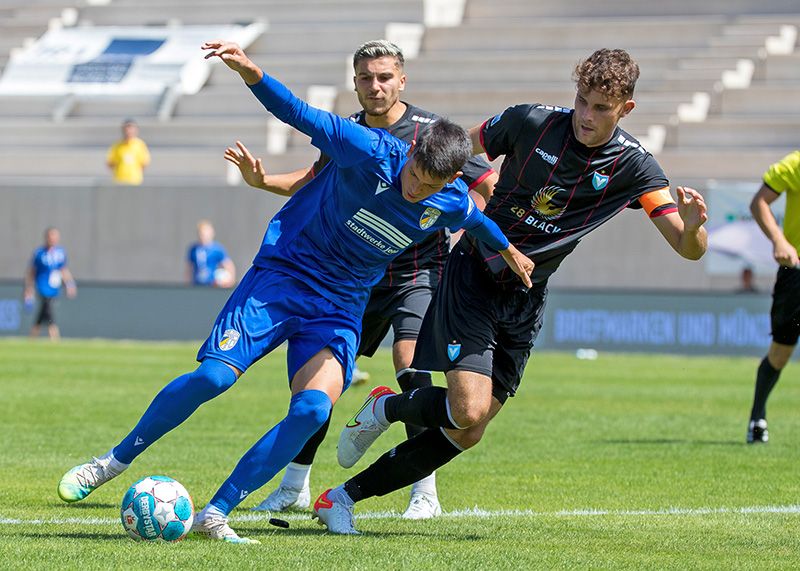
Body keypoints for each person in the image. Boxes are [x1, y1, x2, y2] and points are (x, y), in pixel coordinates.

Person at [56, 40, 533, 545]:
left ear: (450, 181)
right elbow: (299, 113)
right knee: (214, 378)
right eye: (415, 175)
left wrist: (508, 251)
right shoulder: (369, 150)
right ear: (410, 153)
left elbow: (476, 220)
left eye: (431, 185)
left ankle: (216, 512)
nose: (416, 189)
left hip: (341, 303)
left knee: (312, 410)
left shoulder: (449, 199)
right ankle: (110, 463)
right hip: (283, 277)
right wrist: (251, 72)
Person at [315, 48, 709, 535]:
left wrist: (692, 229)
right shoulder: (531, 121)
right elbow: (457, 148)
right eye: (582, 101)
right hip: (475, 274)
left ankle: (345, 490)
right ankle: (382, 415)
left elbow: (686, 247)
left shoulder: (637, 168)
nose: (586, 115)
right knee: (466, 409)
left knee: (469, 430)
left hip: (526, 295)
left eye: (601, 108)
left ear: (626, 109)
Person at [224, 39, 497, 520]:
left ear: (402, 81)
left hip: (417, 273)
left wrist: (471, 236)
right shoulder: (350, 134)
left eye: (385, 77)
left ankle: (423, 491)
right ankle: (294, 486)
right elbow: (313, 179)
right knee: (319, 385)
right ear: (355, 82)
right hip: (349, 280)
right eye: (367, 78)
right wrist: (262, 181)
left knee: (410, 364)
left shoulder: (433, 135)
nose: (376, 86)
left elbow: (484, 188)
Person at [745, 150, 800, 443]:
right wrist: (779, 240)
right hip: (797, 273)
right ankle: (757, 417)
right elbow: (759, 202)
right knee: (780, 353)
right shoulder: (796, 164)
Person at [23, 227, 77, 340]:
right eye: (50, 236)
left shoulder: (60, 253)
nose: (52, 238)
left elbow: (63, 269)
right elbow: (31, 271)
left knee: (44, 310)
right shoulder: (39, 253)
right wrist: (29, 288)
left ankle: (33, 335)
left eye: (55, 236)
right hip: (42, 285)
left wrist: (70, 284)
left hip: (54, 286)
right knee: (47, 307)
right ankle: (54, 335)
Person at [187, 219, 236, 288]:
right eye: (201, 234)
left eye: (206, 234)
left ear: (211, 234)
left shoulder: (217, 249)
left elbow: (228, 265)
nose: (203, 237)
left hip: (212, 285)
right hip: (197, 285)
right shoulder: (193, 249)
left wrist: (230, 282)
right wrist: (188, 284)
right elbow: (189, 268)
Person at [106, 119, 151, 185]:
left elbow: (144, 163)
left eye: (131, 128)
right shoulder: (117, 146)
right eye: (127, 128)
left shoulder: (140, 145)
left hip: (135, 181)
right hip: (119, 180)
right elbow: (110, 163)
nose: (129, 131)